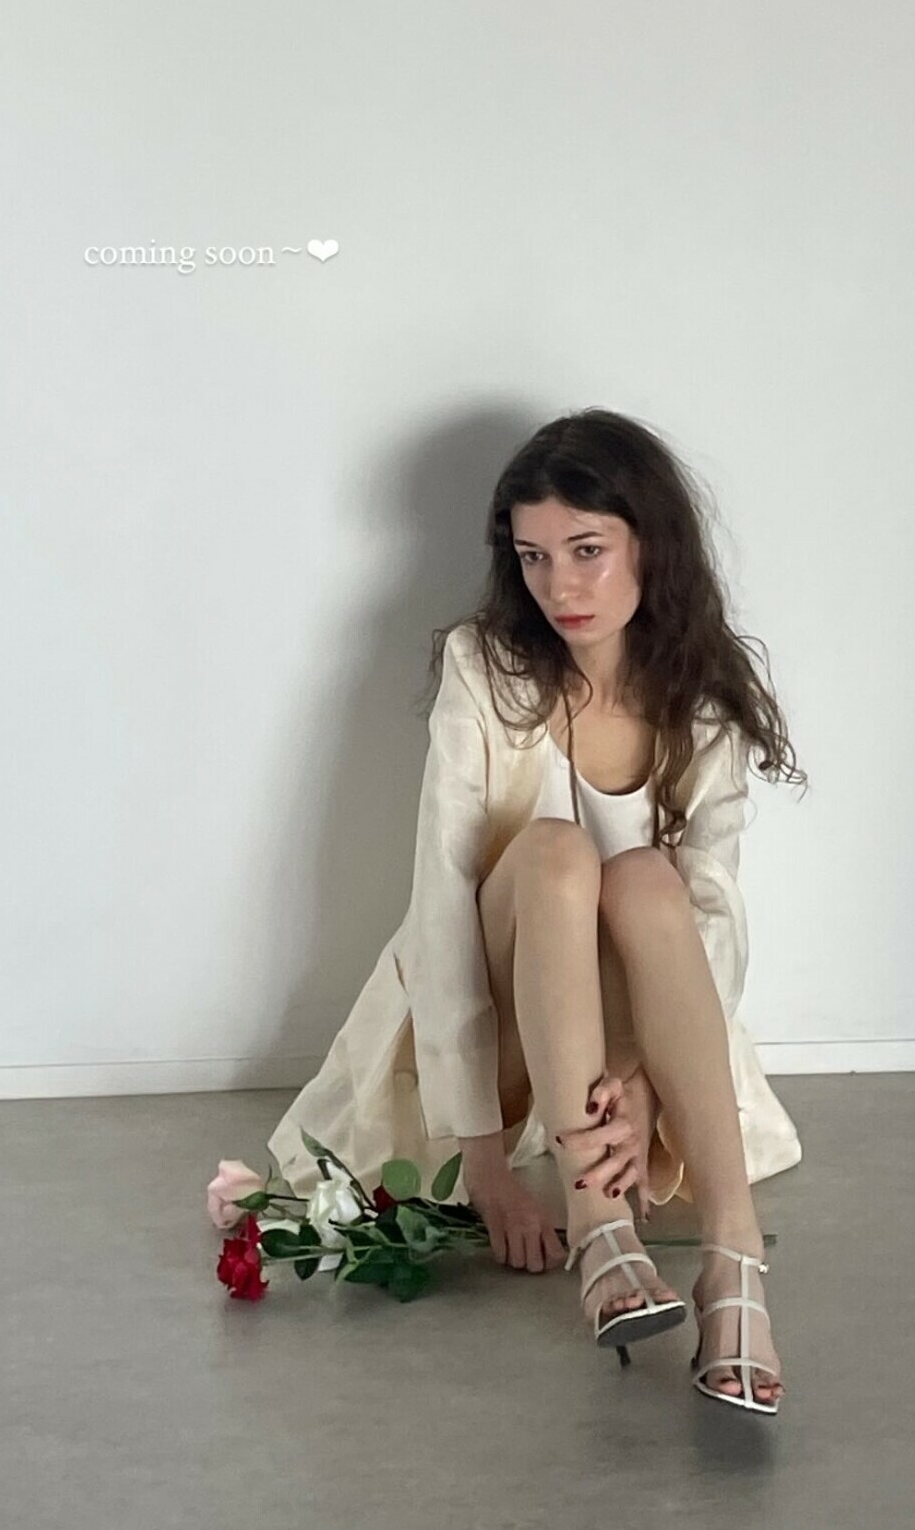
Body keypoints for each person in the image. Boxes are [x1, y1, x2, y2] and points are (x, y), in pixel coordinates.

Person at [268, 407, 805, 1412]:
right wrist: (482, 1159)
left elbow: (713, 926)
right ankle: (601, 1226)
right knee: (557, 852)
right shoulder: (486, 665)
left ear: (651, 543)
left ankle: (733, 1260)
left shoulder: (699, 694)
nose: (561, 587)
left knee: (651, 880)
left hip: (635, 1029)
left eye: (588, 550)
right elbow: (441, 900)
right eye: (534, 557)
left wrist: (645, 1084)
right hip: (503, 1028)